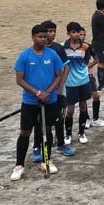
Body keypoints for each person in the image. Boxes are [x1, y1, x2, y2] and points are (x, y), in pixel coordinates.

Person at [10, 24, 66, 180]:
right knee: (25, 132)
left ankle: (46, 161)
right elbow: (19, 80)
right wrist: (37, 92)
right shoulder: (24, 56)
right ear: (33, 37)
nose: (43, 39)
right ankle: (19, 165)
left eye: (45, 37)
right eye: (40, 37)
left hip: (50, 100)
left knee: (47, 131)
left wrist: (48, 92)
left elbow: (59, 75)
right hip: (30, 101)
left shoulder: (53, 54)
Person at [63, 22, 104, 150]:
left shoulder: (86, 47)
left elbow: (97, 59)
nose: (76, 35)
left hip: (83, 82)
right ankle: (68, 134)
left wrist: (87, 67)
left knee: (83, 106)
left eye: (78, 32)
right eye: (73, 32)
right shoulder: (63, 47)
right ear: (68, 33)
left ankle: (81, 133)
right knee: (69, 110)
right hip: (69, 84)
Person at [40, 21, 76, 157]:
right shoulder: (38, 49)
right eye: (49, 31)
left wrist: (61, 85)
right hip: (43, 90)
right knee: (41, 121)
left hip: (58, 89)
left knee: (60, 117)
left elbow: (66, 66)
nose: (52, 34)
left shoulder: (58, 49)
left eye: (54, 31)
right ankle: (38, 147)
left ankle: (61, 144)